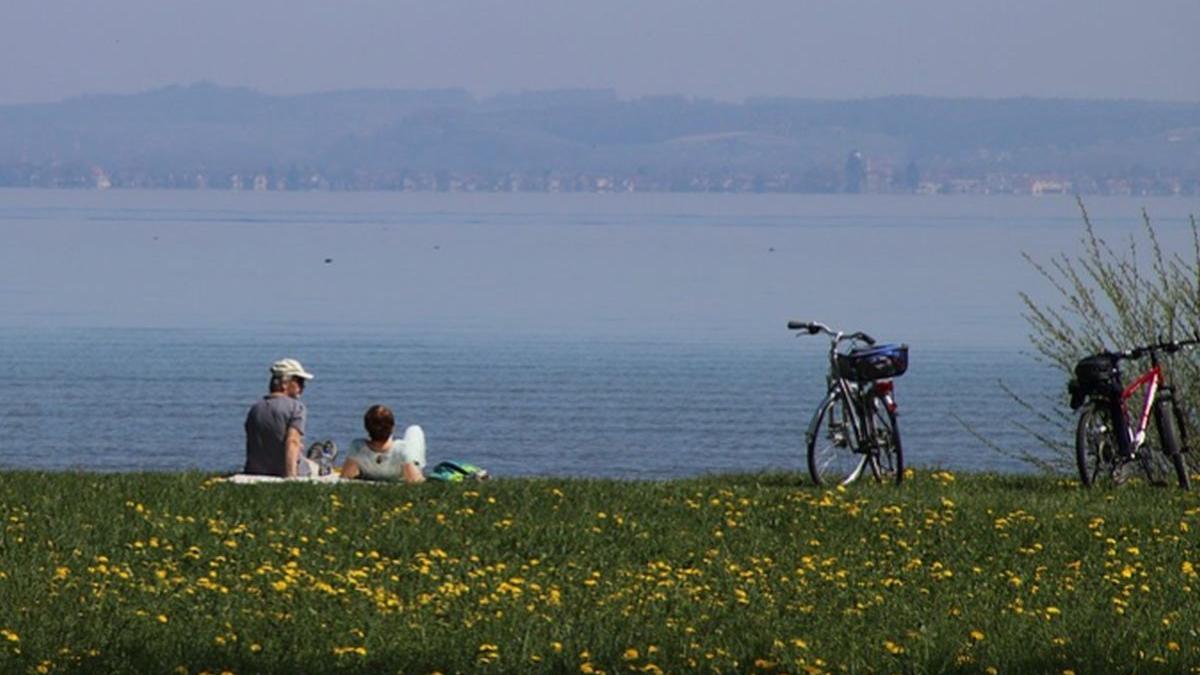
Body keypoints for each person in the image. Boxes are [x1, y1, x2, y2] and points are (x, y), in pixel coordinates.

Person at [243, 358, 323, 477]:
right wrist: (291, 476)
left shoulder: (255, 408)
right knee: (318, 465)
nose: (303, 386)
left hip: (256, 469)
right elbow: (292, 441)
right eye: (299, 381)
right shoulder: (296, 407)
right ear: (284, 384)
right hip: (286, 469)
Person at [341, 404, 426, 483]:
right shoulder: (401, 449)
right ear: (392, 428)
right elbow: (414, 480)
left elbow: (346, 476)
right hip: (401, 469)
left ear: (367, 428)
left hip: (370, 469)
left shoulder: (357, 446)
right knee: (414, 430)